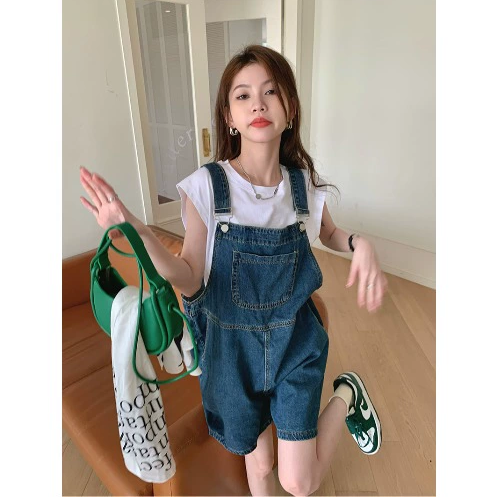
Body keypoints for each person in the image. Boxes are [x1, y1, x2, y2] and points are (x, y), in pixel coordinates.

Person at [80, 44, 388, 497]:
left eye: (270, 91)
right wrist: (138, 230)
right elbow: (189, 276)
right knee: (258, 463)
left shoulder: (301, 186)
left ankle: (348, 394)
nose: (257, 104)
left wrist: (360, 244)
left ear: (290, 108)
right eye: (243, 95)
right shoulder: (207, 186)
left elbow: (330, 234)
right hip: (229, 354)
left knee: (299, 482)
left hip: (295, 345)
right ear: (229, 116)